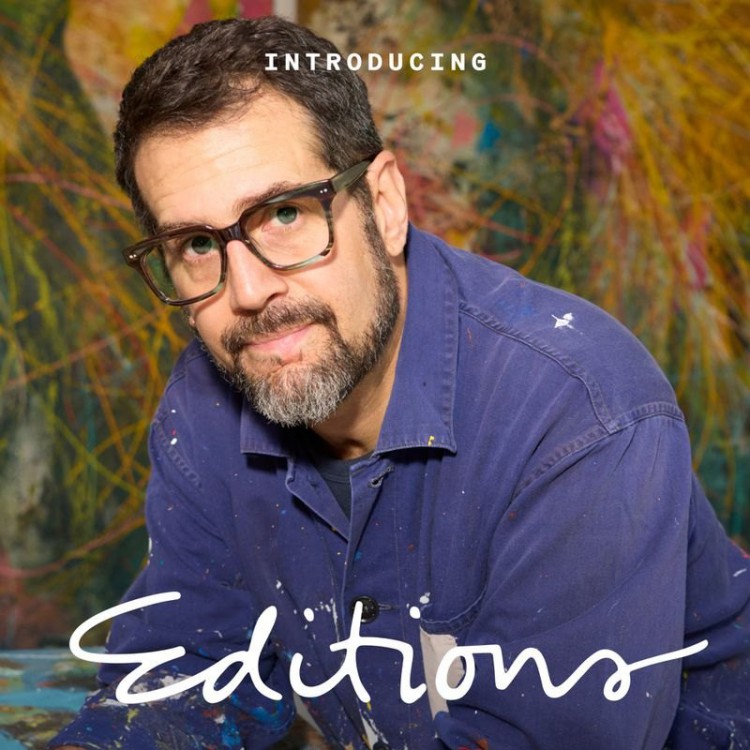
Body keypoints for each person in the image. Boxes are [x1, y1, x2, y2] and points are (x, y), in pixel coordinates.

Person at [50, 15, 750, 750]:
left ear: (384, 205)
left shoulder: (577, 412)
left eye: (285, 213)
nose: (249, 292)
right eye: (197, 244)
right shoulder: (207, 401)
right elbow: (185, 680)